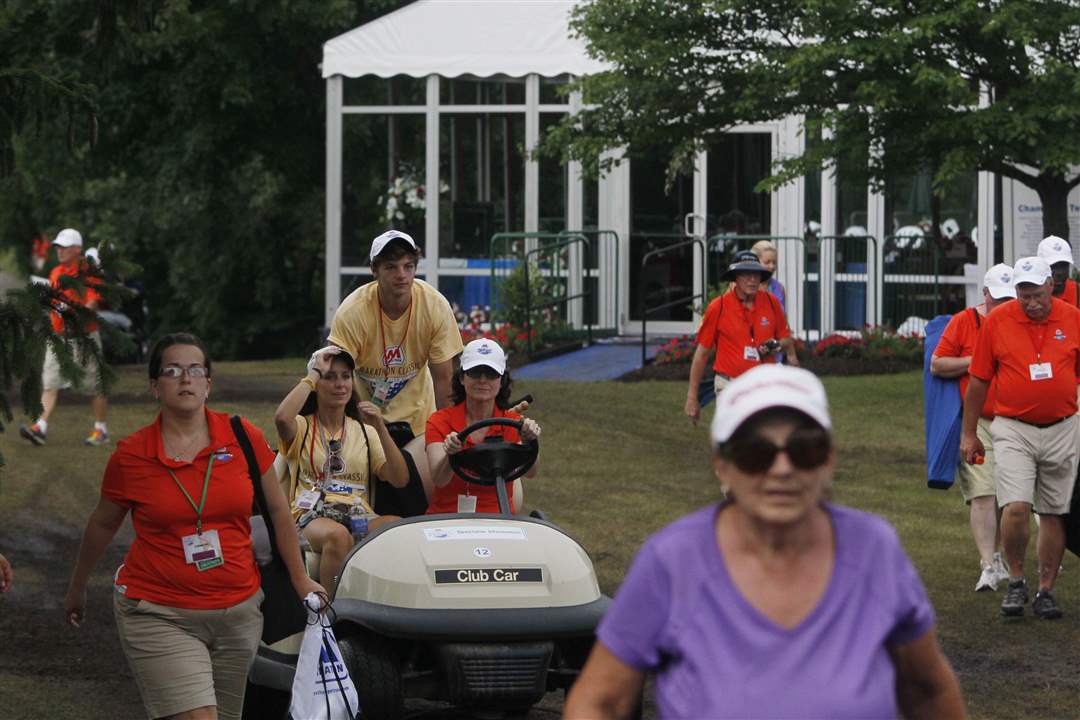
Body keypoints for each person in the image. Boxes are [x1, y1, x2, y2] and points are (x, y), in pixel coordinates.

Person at [566, 365, 965, 719]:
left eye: (804, 450)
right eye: (756, 453)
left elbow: (928, 690)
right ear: (722, 464)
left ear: (829, 459)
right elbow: (599, 702)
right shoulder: (673, 561)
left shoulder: (873, 550)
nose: (782, 469)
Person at [64, 332, 324, 720]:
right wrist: (78, 586)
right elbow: (102, 524)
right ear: (155, 386)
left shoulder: (243, 437)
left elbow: (278, 511)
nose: (185, 378)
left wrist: (301, 579)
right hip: (159, 611)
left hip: (238, 613)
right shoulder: (132, 455)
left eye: (194, 369)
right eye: (172, 370)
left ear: (208, 383)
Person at [961, 256, 1080, 619]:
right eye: (1023, 295)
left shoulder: (1074, 319)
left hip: (1063, 425)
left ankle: (1045, 590)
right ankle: (1015, 581)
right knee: (1015, 507)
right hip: (1012, 426)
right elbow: (979, 379)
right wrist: (969, 434)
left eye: (1037, 294)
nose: (1030, 303)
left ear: (1051, 286)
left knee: (1054, 511)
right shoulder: (997, 321)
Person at [328, 229, 464, 516]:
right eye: (391, 267)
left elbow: (444, 379)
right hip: (364, 420)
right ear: (374, 270)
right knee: (367, 503)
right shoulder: (352, 312)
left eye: (408, 266)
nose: (401, 275)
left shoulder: (434, 305)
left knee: (414, 497)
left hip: (419, 420)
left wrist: (449, 431)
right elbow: (335, 379)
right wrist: (340, 431)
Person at [274, 345, 409, 588]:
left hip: (358, 514)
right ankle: (329, 617)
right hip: (311, 515)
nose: (340, 384)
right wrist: (314, 373)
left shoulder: (366, 431)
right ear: (316, 384)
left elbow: (399, 479)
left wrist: (380, 427)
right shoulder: (302, 426)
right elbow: (282, 418)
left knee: (396, 528)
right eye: (330, 377)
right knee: (337, 536)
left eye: (346, 376)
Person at [930, 264, 1015, 591]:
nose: (1004, 308)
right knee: (982, 493)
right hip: (977, 420)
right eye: (998, 301)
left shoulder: (1019, 320)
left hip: (1016, 419)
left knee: (1009, 497)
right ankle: (989, 564)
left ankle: (1006, 558)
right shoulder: (964, 321)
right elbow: (938, 363)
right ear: (985, 294)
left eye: (1009, 301)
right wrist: (977, 360)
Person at [425, 339, 540, 514]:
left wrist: (529, 442)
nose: (483, 380)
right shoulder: (439, 421)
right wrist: (450, 453)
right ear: (463, 378)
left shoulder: (514, 422)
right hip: (447, 518)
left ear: (501, 381)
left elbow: (531, 472)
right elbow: (439, 479)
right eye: (476, 372)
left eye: (491, 373)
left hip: (499, 519)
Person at [684, 250, 798, 425]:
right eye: (746, 275)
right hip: (729, 385)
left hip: (765, 385)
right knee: (732, 442)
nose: (752, 280)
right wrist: (692, 397)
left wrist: (774, 345)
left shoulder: (771, 302)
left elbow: (786, 339)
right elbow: (701, 355)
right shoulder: (718, 307)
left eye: (756, 274)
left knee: (763, 442)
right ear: (735, 277)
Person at [20, 228, 110, 447]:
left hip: (84, 337)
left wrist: (74, 313)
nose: (59, 250)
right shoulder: (56, 272)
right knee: (50, 383)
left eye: (64, 247)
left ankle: (101, 429)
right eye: (57, 246)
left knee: (94, 385)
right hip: (59, 336)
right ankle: (40, 428)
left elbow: (92, 302)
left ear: (77, 249)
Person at [1037, 234, 1078, 306]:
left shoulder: (1077, 292)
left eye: (1064, 265)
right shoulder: (1028, 294)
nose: (1060, 272)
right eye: (1053, 266)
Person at [751, 239, 785, 309]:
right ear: (754, 262)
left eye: (774, 262)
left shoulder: (779, 288)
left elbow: (782, 317)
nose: (772, 266)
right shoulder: (739, 286)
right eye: (767, 262)